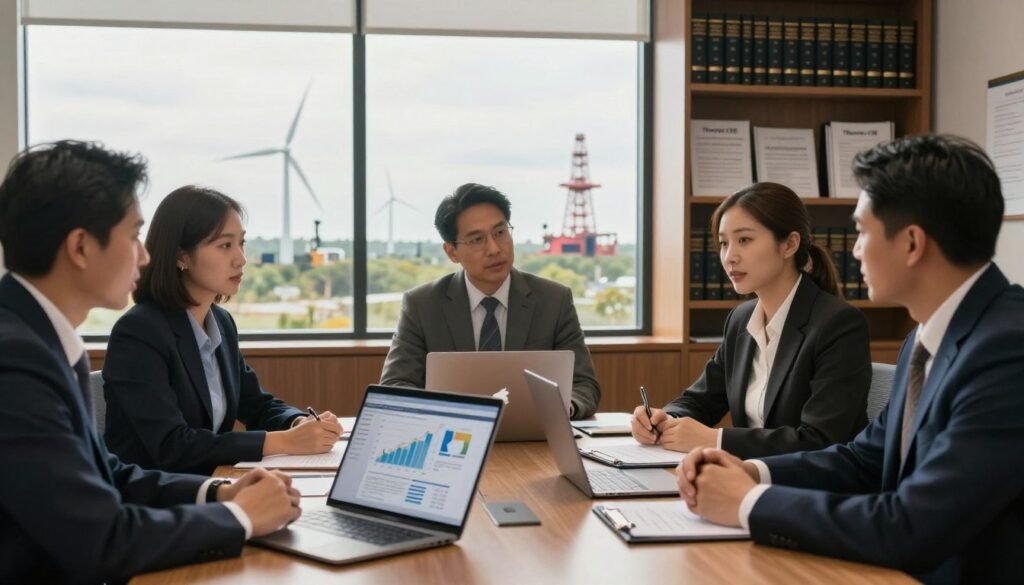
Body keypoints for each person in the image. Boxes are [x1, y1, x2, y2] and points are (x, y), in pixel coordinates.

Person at [679, 134, 1024, 584]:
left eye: (861, 231)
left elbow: (912, 526)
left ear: (912, 244)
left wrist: (747, 504)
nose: (855, 249)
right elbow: (863, 460)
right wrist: (752, 471)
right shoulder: (924, 338)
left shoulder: (1006, 350)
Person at [0, 141, 302, 583]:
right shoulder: (15, 360)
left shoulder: (41, 341)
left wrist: (219, 492)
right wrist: (240, 518)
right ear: (81, 248)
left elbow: (108, 472)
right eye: (132, 237)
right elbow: (104, 541)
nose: (143, 255)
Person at [103, 186, 342, 475]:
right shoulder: (139, 332)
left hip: (211, 483)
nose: (241, 258)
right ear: (182, 256)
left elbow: (255, 404)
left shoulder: (221, 323)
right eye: (225, 245)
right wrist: (281, 441)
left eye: (242, 243)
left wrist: (298, 423)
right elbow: (171, 445)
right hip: (155, 501)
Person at [631, 182, 872, 459]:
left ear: (789, 244)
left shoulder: (838, 324)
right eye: (723, 243)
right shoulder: (741, 319)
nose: (729, 257)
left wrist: (717, 439)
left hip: (813, 489)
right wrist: (663, 420)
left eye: (744, 240)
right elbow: (701, 399)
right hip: (747, 479)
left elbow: (820, 440)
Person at [380, 182, 600, 418]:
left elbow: (584, 385)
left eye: (500, 232)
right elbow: (395, 385)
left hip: (536, 441)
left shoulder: (554, 300)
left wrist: (560, 410)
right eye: (477, 240)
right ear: (452, 252)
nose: (495, 249)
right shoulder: (422, 305)